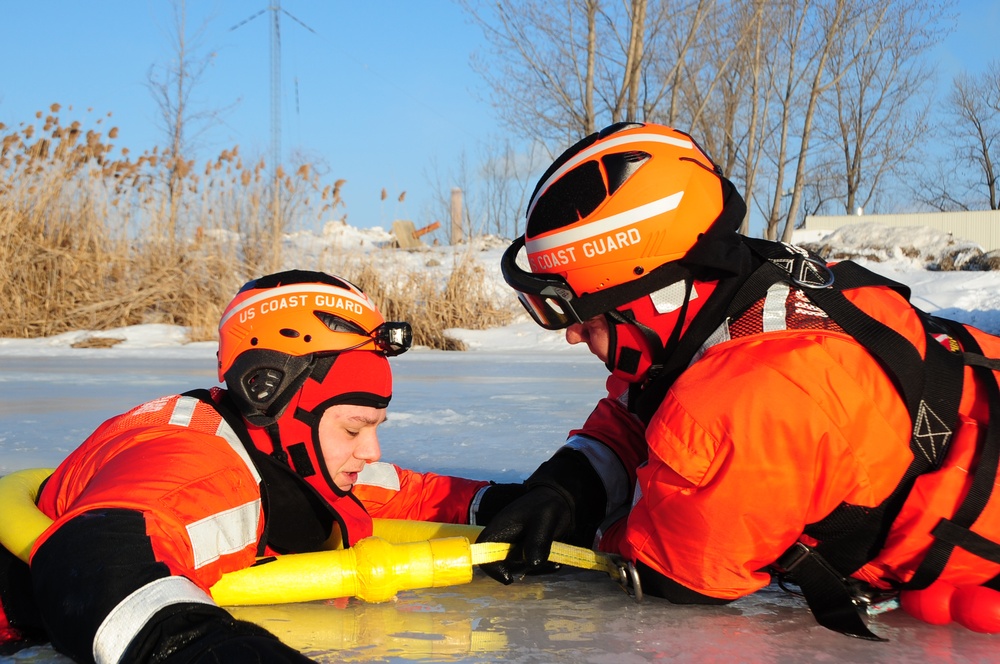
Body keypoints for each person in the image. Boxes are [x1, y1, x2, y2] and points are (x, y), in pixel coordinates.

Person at [483, 121, 1000, 639]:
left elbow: (672, 569)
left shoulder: (741, 399)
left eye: (588, 315)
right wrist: (569, 485)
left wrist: (582, 523)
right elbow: (640, 408)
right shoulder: (743, 290)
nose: (573, 335)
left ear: (653, 298)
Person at [0, 270, 523, 663]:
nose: (372, 452)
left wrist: (524, 504)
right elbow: (95, 562)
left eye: (375, 426)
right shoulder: (195, 462)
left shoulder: (290, 456)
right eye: (353, 428)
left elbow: (405, 492)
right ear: (269, 396)